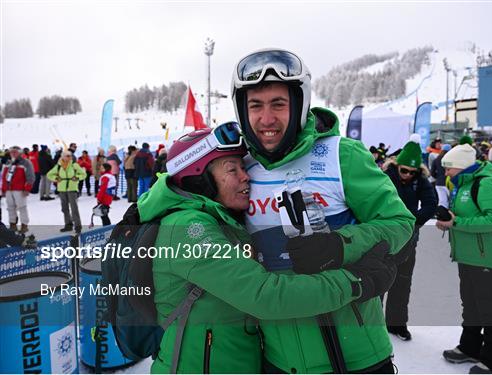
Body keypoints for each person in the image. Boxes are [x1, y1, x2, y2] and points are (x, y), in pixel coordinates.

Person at [144, 125, 397, 373]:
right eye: (232, 170)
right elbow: (264, 295)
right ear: (199, 180)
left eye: (243, 167)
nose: (246, 176)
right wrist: (355, 282)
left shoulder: (222, 219)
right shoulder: (187, 228)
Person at [231, 48, 415, 373]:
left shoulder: (341, 156)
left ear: (300, 105)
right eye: (255, 106)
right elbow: (184, 182)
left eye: (279, 104)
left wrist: (339, 246)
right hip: (279, 359)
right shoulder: (240, 170)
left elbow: (400, 225)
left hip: (358, 357)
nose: (267, 118)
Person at [436, 144, 492, 374]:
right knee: (471, 306)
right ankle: (470, 347)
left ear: (462, 166)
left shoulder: (485, 183)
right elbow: (464, 216)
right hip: (468, 258)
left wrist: (456, 223)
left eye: (449, 168)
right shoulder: (464, 184)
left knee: (490, 310)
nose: (446, 173)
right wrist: (449, 220)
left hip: (488, 259)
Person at [382, 141, 437, 341]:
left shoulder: (420, 180)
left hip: (408, 238)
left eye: (412, 172)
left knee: (403, 281)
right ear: (397, 166)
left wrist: (413, 223)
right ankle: (375, 325)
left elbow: (431, 204)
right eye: (404, 171)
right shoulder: (385, 177)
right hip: (384, 237)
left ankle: (397, 324)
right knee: (378, 281)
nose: (407, 175)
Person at [47, 150, 86, 233]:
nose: (69, 157)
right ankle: (68, 225)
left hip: (72, 188)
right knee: (64, 208)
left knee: (74, 208)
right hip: (62, 189)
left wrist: (77, 177)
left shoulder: (74, 165)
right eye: (67, 156)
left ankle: (78, 225)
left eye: (70, 156)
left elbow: (83, 174)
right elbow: (49, 174)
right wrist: (56, 178)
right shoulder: (58, 166)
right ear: (63, 157)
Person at [1, 146, 35, 233]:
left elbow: (30, 176)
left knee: (22, 207)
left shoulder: (26, 162)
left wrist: (27, 188)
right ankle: (12, 224)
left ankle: (24, 225)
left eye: (15, 152)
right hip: (9, 189)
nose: (13, 153)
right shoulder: (9, 162)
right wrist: (3, 189)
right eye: (12, 152)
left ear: (19, 153)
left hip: (19, 189)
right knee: (10, 207)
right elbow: (4, 177)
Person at [431, 143, 452, 207]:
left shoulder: (436, 159)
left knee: (442, 201)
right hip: (449, 182)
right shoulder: (451, 159)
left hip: (439, 182)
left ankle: (442, 214)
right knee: (451, 200)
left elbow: (432, 172)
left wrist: (437, 177)